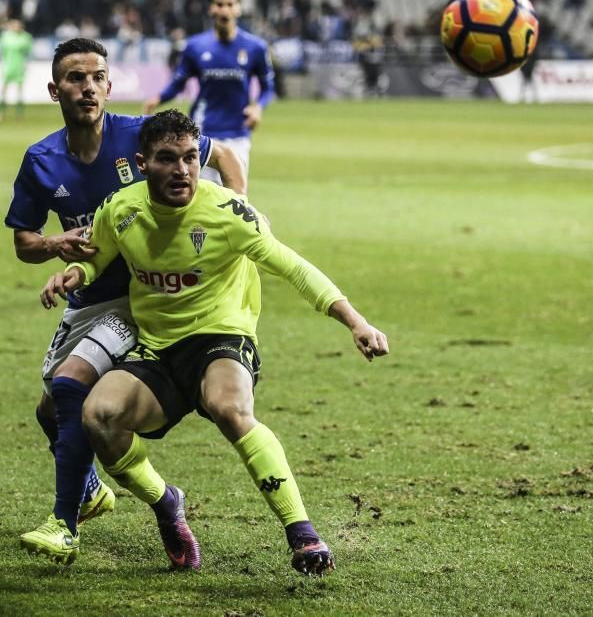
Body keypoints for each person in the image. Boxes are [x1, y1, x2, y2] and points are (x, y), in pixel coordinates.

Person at [40, 109, 389, 576]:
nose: (182, 170)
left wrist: (356, 322)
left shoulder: (229, 213)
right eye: (168, 159)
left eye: (189, 158)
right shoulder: (121, 209)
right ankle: (167, 504)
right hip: (157, 348)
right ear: (143, 163)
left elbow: (295, 268)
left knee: (228, 407)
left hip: (221, 336)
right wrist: (74, 273)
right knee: (98, 417)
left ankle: (302, 532)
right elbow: (97, 257)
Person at [6, 39, 246, 564]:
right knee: (51, 411)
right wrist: (54, 245)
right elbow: (24, 241)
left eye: (96, 77)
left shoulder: (141, 137)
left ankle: (62, 524)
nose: (87, 86)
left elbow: (223, 154)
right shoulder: (42, 160)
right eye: (74, 78)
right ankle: (126, 494)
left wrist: (236, 208)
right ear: (55, 90)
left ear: (110, 86)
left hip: (140, 299)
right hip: (87, 297)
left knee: (70, 386)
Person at [142, 0, 275, 188]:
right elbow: (178, 83)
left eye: (230, 4)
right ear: (211, 8)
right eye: (220, 4)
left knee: (235, 200)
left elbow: (268, 88)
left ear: (238, 8)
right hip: (202, 133)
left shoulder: (255, 47)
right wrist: (157, 99)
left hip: (238, 134)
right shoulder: (195, 47)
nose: (225, 10)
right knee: (199, 199)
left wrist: (258, 107)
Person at [0, 18, 33, 124]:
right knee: (4, 88)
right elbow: (2, 52)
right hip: (8, 66)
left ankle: (19, 114)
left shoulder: (26, 37)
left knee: (19, 90)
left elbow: (29, 52)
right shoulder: (5, 37)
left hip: (19, 66)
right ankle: (1, 113)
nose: (16, 27)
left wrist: (27, 64)